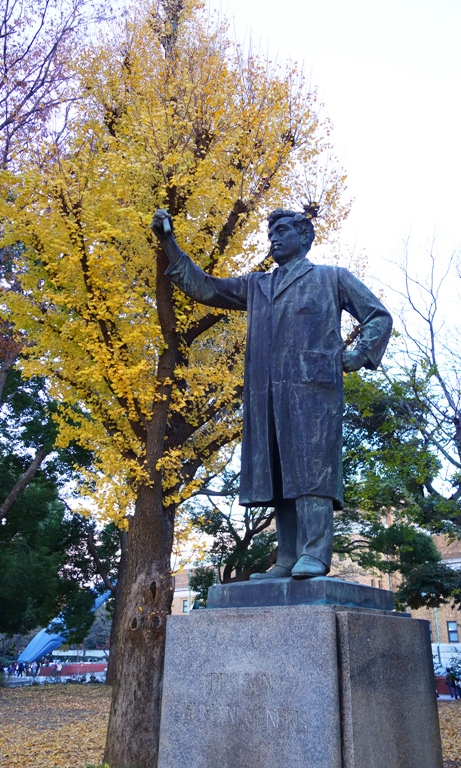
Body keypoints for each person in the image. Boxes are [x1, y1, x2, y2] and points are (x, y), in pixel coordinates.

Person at [152, 208, 392, 579]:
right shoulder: (258, 285)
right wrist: (169, 242)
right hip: (268, 393)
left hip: (314, 392)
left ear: (304, 237)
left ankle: (315, 554)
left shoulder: (331, 278)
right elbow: (205, 287)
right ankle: (288, 558)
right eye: (270, 234)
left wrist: (357, 355)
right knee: (280, 473)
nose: (273, 239)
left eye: (281, 231)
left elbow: (378, 316)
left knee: (312, 471)